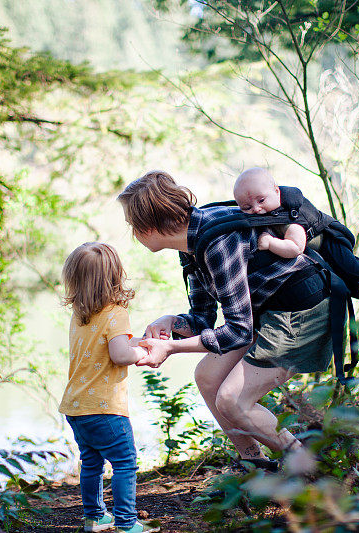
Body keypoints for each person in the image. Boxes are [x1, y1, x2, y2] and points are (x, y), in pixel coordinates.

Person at [118, 170, 335, 470]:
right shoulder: (191, 244)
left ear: (149, 227)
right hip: (269, 313)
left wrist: (171, 349)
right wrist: (171, 322)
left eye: (133, 226)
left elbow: (237, 332)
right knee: (208, 377)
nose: (133, 233)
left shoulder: (217, 242)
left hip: (304, 316)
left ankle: (309, 466)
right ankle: (254, 465)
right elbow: (203, 321)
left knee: (232, 399)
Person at [58, 242, 159, 533]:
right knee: (125, 463)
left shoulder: (80, 315)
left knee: (91, 462)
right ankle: (127, 524)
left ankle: (95, 517)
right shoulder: (116, 313)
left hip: (76, 406)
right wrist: (144, 354)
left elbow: (105, 346)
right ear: (114, 276)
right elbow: (119, 354)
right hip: (104, 408)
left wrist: (137, 340)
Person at [233, 167, 359, 298]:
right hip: (315, 247)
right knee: (338, 274)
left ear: (276, 191)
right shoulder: (269, 210)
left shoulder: (289, 217)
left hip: (329, 239)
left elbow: (295, 248)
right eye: (247, 207)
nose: (256, 209)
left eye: (261, 200)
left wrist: (270, 243)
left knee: (350, 267)